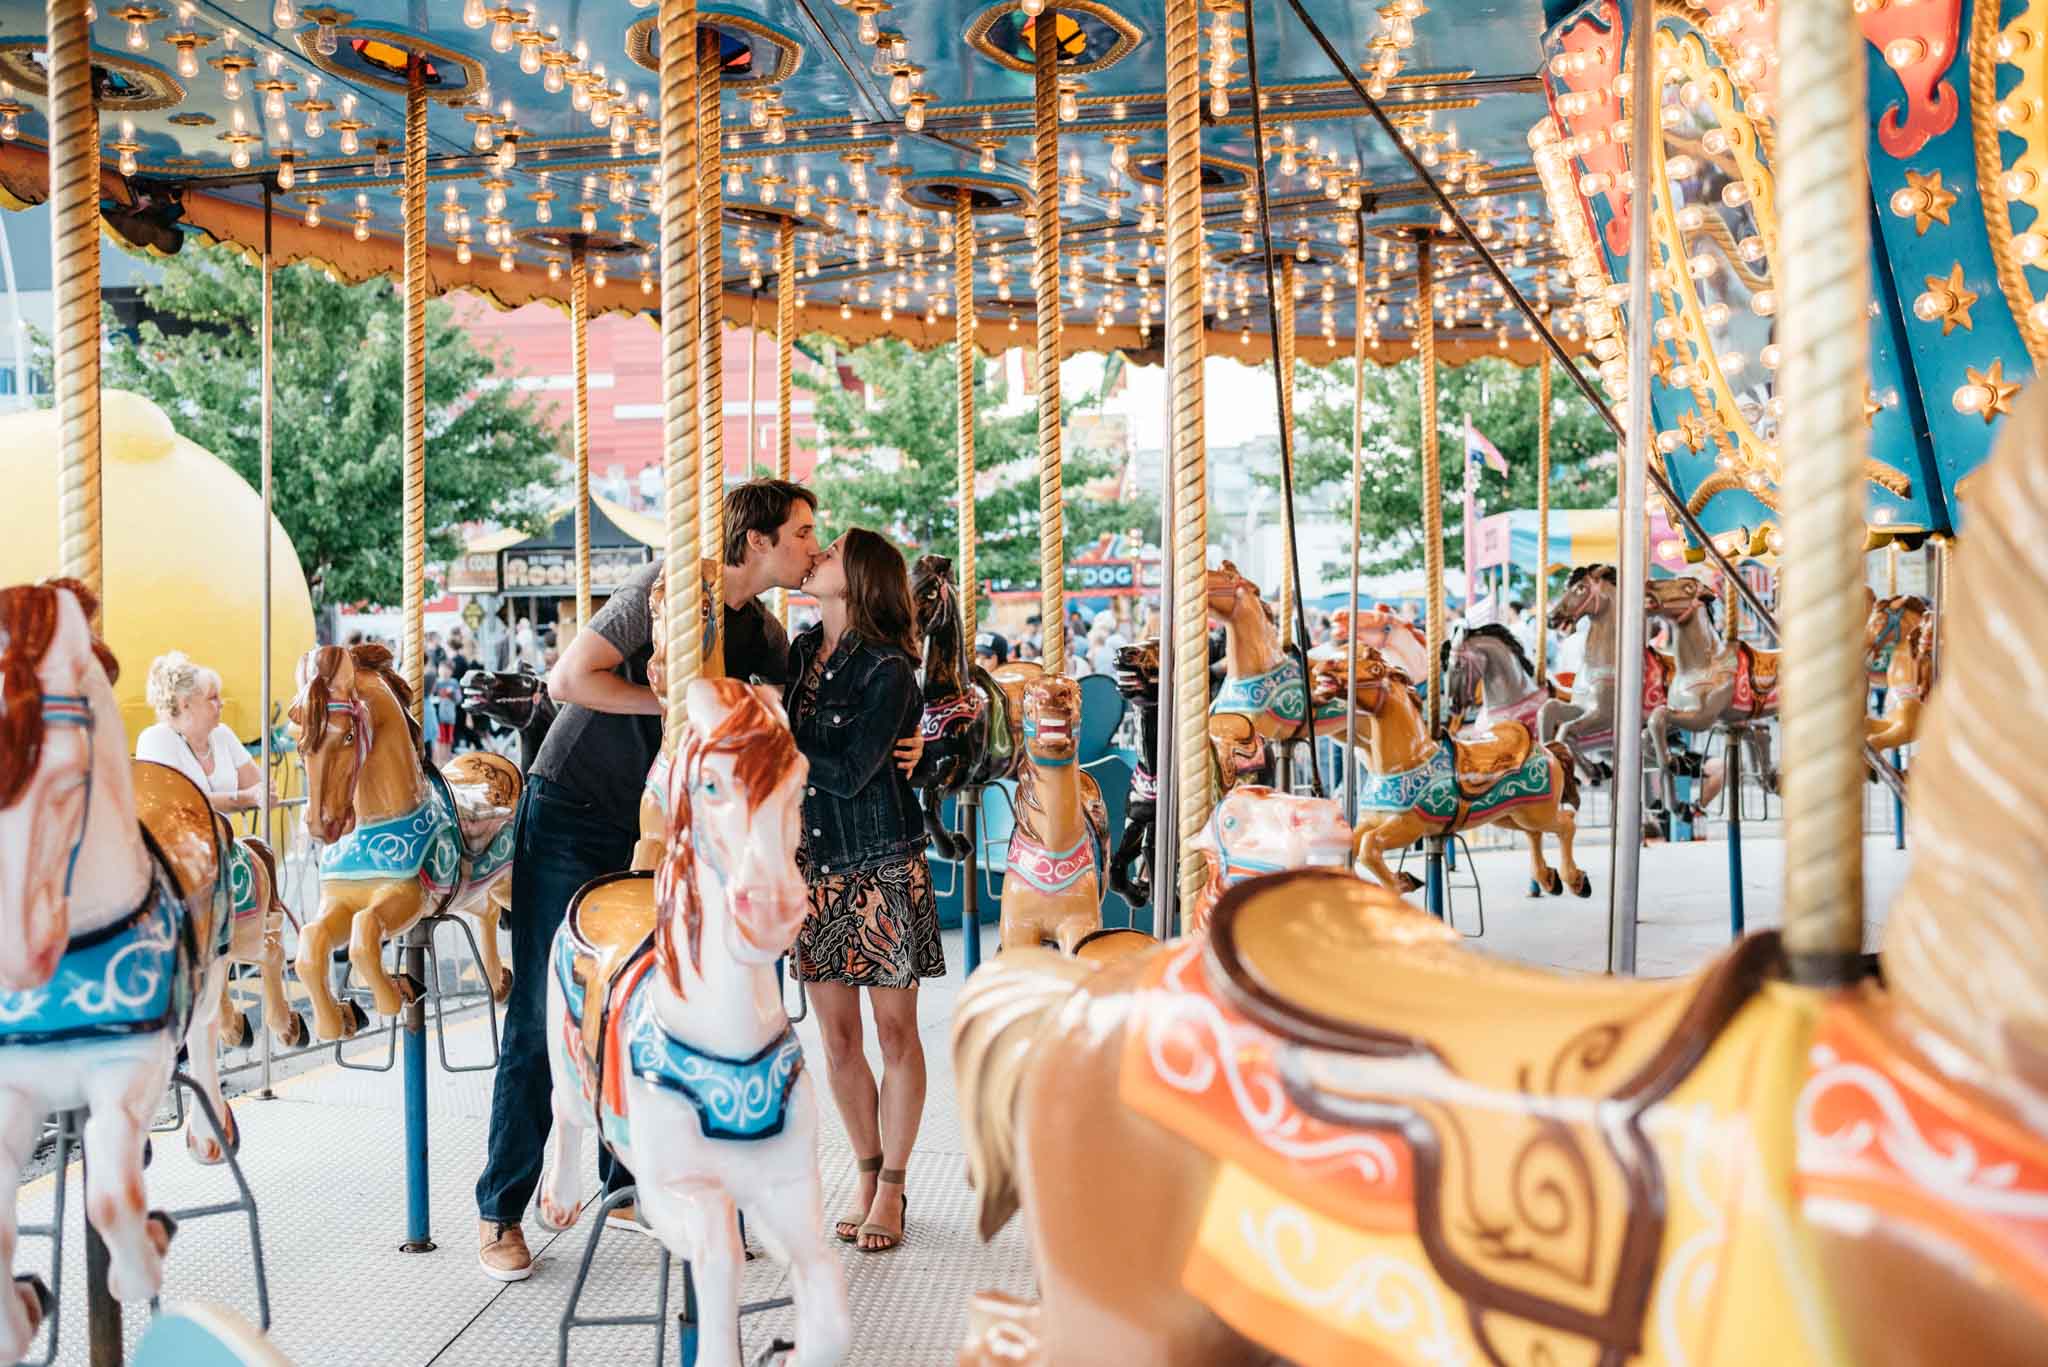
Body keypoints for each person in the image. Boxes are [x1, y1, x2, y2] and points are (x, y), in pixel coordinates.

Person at [476, 479, 883, 1282]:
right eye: (802, 531)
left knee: (670, 999)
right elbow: (568, 681)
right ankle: (502, 1208)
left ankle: (632, 1180)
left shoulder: (764, 636)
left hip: (670, 826)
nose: (811, 544)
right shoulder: (664, 586)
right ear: (758, 539)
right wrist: (664, 701)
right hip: (577, 803)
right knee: (544, 1004)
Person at [788, 528, 940, 1255]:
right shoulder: (795, 656)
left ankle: (895, 1184)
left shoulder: (889, 672)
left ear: (859, 578)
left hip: (880, 859)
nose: (818, 554)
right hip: (812, 867)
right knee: (838, 1036)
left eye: (833, 548)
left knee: (892, 1032)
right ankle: (866, 1167)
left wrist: (774, 733)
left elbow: (848, 770)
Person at [135, 651, 272, 814]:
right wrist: (244, 798)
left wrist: (259, 794)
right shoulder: (156, 739)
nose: (221, 703)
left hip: (219, 838)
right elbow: (175, 803)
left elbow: (262, 788)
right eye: (213, 698)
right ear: (185, 704)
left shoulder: (222, 734)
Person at [430, 659, 460, 764]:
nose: (444, 672)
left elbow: (458, 699)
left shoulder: (454, 683)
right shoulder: (436, 682)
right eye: (442, 669)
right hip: (439, 716)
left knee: (449, 740)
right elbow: (431, 696)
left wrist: (452, 694)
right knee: (440, 740)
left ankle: (447, 761)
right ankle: (441, 762)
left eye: (447, 670)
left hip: (450, 716)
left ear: (451, 671)